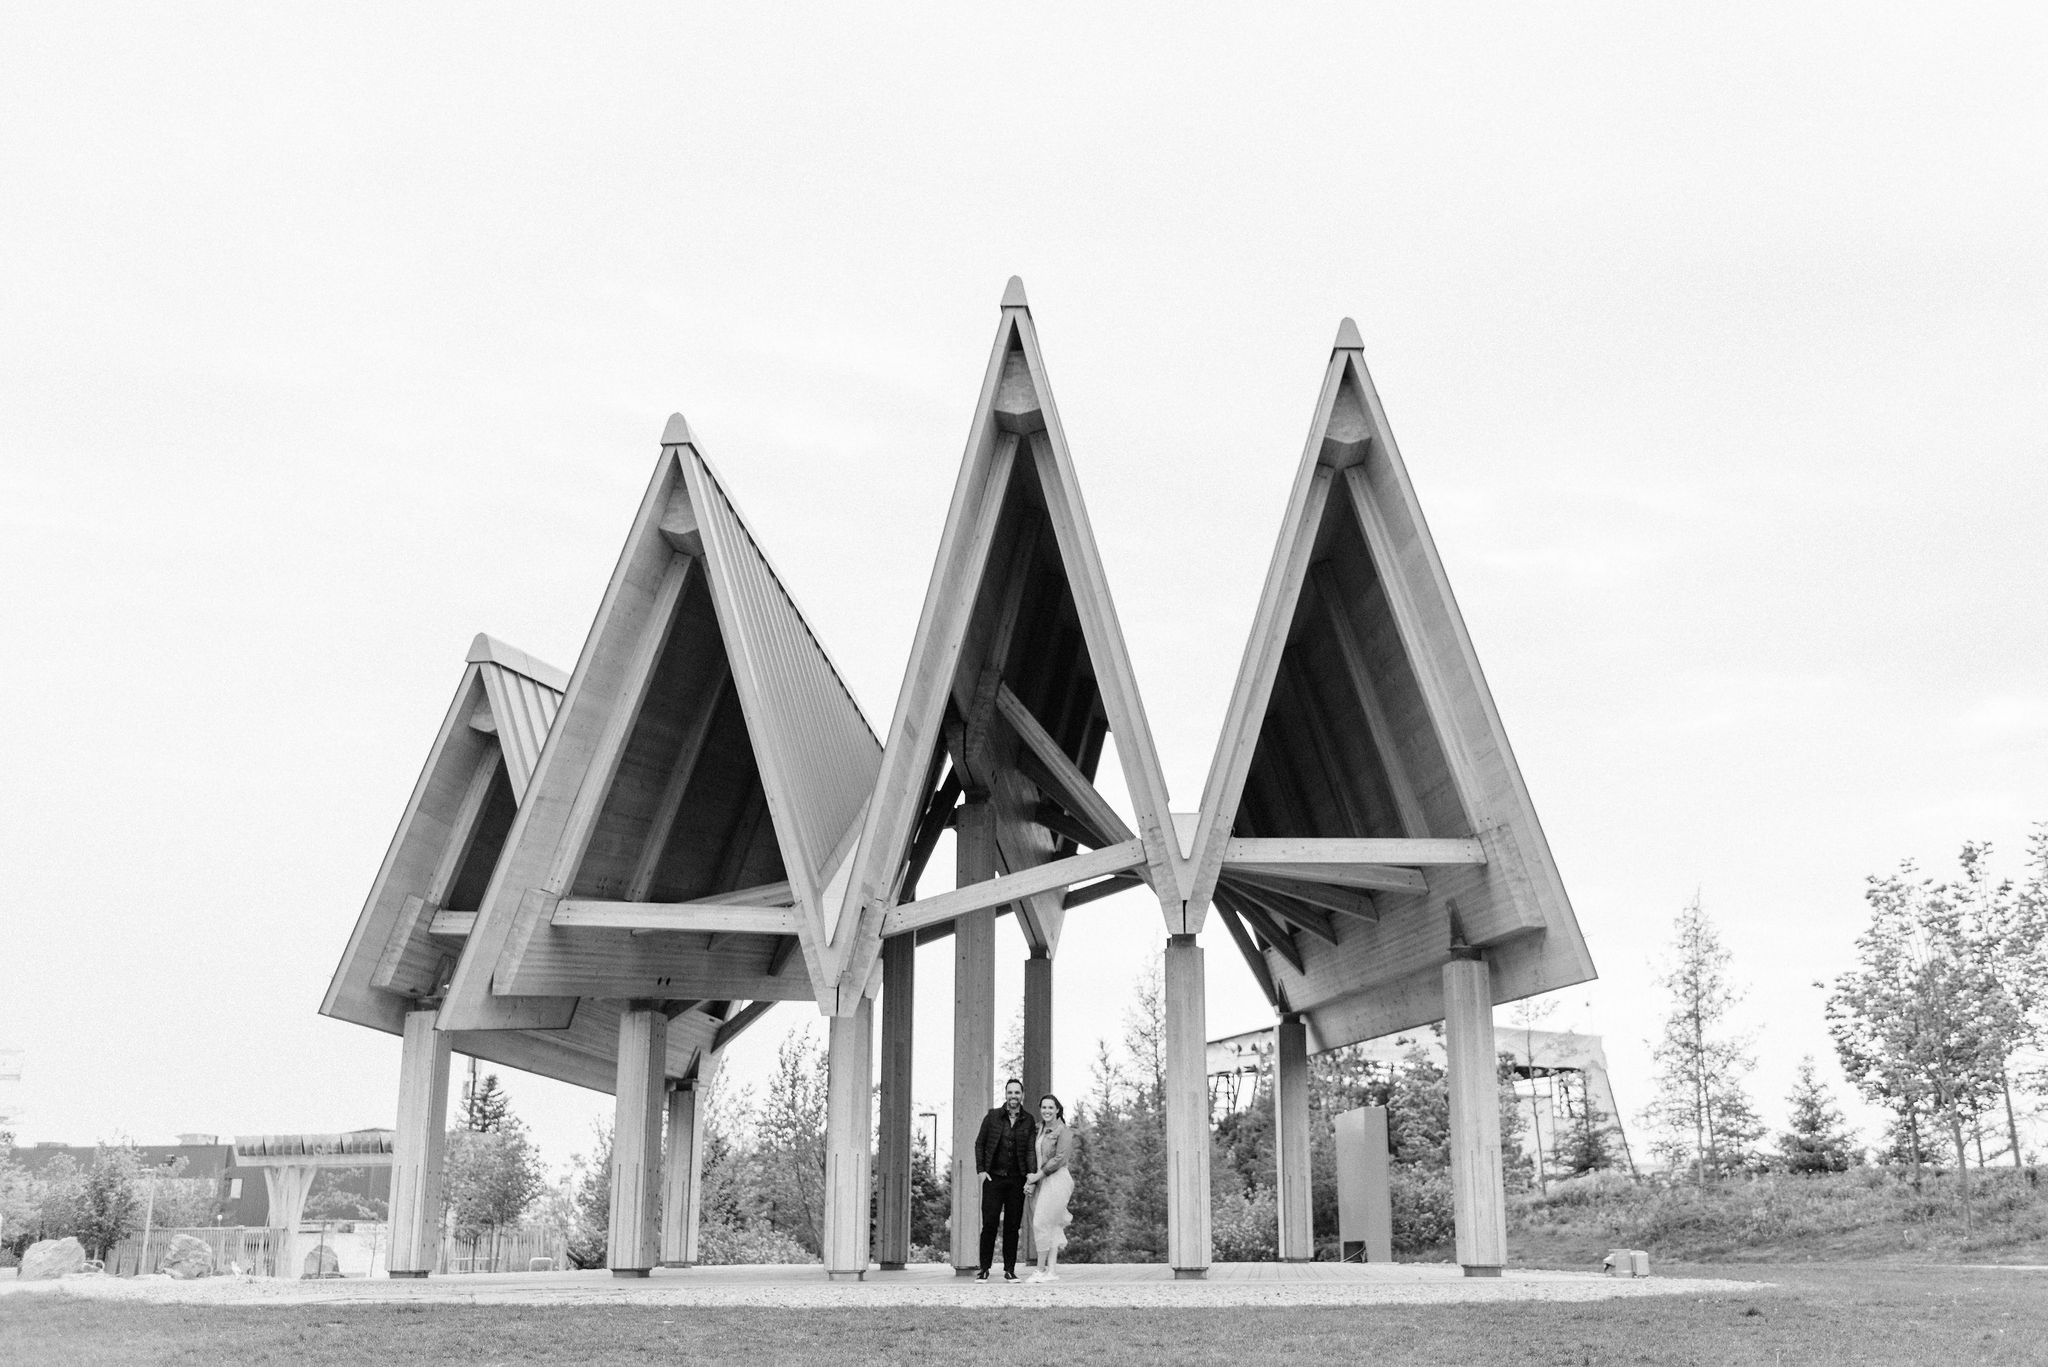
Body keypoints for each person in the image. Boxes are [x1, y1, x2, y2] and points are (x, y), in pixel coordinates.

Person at [973, 1077, 1038, 1282]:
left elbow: (1029, 1149)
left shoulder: (1027, 1119)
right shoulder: (992, 1117)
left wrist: (1030, 1174)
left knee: (1012, 1226)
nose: (1013, 1097)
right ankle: (984, 1269)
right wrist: (982, 1171)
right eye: (1010, 1093)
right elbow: (980, 1144)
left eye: (1017, 1093)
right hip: (994, 1179)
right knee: (990, 1224)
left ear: (1022, 1095)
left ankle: (1009, 1270)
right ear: (1005, 1094)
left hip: (1016, 1180)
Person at [1023, 1093, 1074, 1283]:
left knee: (1041, 1222)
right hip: (1041, 1179)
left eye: (1050, 1107)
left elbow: (1060, 1159)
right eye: (1043, 1107)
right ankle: (1051, 1271)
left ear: (1058, 1110)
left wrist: (1038, 1175)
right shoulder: (1039, 1130)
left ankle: (1039, 1269)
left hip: (1057, 1179)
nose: (1046, 1111)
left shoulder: (1064, 1131)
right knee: (1051, 1224)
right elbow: (1033, 1156)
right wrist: (1032, 1180)